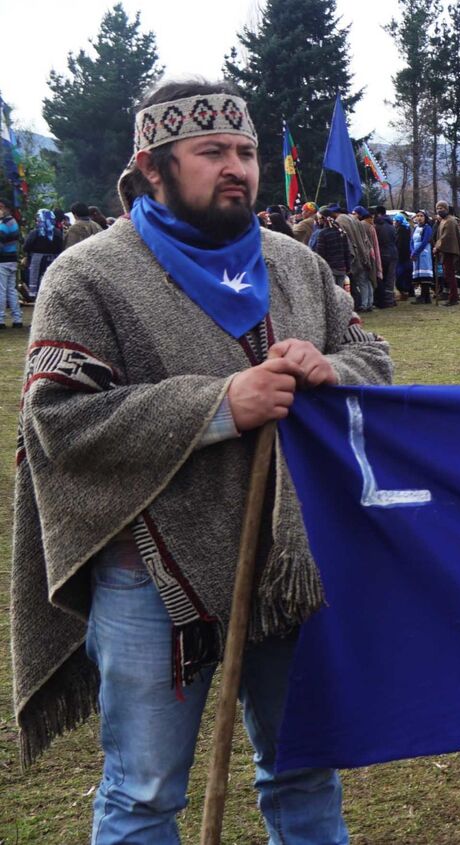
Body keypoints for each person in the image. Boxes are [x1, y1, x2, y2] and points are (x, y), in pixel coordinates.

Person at [10, 77, 392, 845]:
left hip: (288, 561)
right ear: (151, 166)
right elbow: (59, 419)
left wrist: (331, 370)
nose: (238, 169)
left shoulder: (293, 264)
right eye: (211, 151)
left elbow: (371, 356)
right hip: (150, 572)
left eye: (245, 151)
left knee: (305, 771)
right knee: (145, 792)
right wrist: (220, 404)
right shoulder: (86, 276)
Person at [24, 208, 65, 306]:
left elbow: (26, 246)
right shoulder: (57, 232)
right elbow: (61, 246)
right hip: (53, 258)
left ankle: (35, 294)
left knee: (35, 277)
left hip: (37, 259)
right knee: (51, 277)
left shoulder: (36, 232)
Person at [311, 208, 354, 291]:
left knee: (332, 292)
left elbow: (321, 254)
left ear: (323, 219)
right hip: (342, 268)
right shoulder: (341, 232)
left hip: (330, 268)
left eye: (319, 218)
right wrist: (348, 267)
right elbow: (346, 250)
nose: (318, 221)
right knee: (341, 291)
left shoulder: (322, 233)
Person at [433, 208, 460, 306]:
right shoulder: (443, 221)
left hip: (449, 251)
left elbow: (446, 237)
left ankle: (453, 298)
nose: (439, 210)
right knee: (447, 275)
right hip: (445, 251)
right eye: (437, 208)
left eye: (441, 208)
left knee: (450, 275)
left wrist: (437, 247)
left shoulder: (450, 221)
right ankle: (452, 296)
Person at [371, 205, 400, 308]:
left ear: (378, 214)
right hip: (393, 253)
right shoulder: (391, 225)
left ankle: (382, 300)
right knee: (391, 278)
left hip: (382, 253)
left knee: (381, 277)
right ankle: (390, 299)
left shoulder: (377, 226)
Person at [409, 211, 437, 304]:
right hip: (416, 254)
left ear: (425, 217)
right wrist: (412, 251)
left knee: (424, 275)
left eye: (421, 216)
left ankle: (425, 296)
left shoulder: (427, 228)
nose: (419, 218)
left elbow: (425, 241)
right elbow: (412, 241)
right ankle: (424, 296)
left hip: (424, 253)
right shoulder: (416, 228)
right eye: (417, 216)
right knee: (419, 275)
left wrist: (416, 252)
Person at [0, 201, 21, 327]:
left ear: (5, 208)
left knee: (1, 291)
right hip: (12, 259)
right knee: (11, 290)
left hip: (2, 261)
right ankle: (17, 318)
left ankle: (1, 319)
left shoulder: (3, 225)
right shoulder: (13, 222)